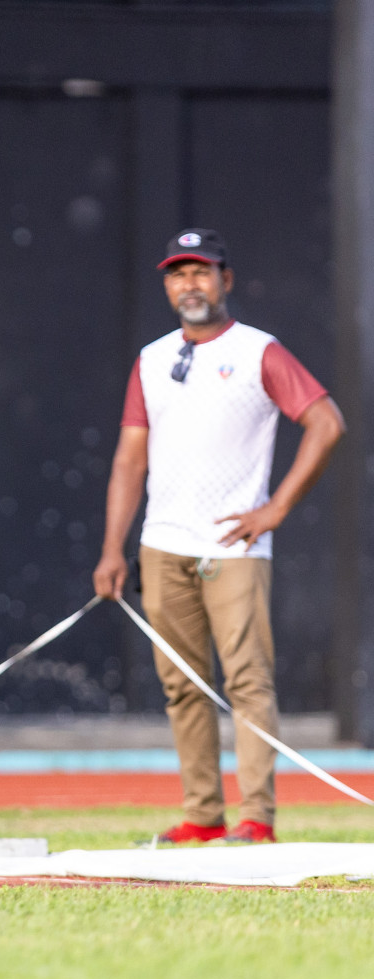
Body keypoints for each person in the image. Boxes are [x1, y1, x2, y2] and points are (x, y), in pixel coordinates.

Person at [93, 229, 343, 845]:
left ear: (226, 280)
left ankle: (257, 817)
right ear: (167, 286)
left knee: (248, 682)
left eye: (201, 273)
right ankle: (203, 815)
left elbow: (325, 422)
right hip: (164, 543)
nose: (190, 286)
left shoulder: (259, 351)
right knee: (182, 684)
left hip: (233, 547)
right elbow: (130, 457)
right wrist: (111, 547)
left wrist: (276, 507)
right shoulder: (152, 358)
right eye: (178, 275)